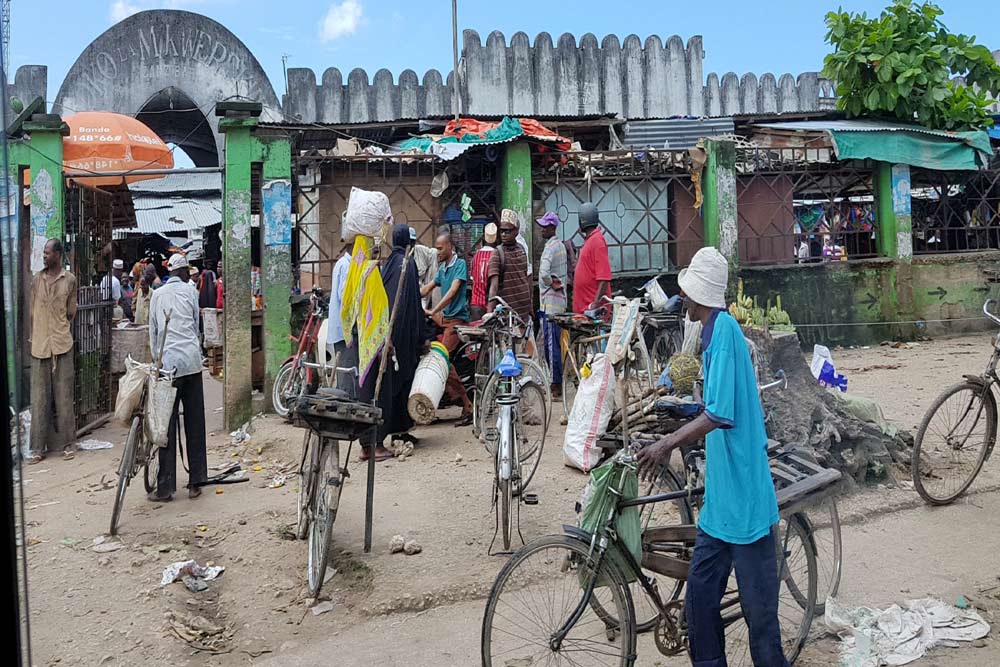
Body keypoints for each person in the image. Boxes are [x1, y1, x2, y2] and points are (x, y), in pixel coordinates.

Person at [637, 246, 786, 667]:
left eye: (685, 292)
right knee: (699, 607)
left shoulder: (723, 337)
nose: (681, 298)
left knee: (762, 627)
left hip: (747, 506)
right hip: (721, 508)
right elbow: (715, 402)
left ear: (698, 296)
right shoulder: (712, 333)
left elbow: (719, 413)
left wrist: (666, 444)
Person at [359, 224, 427, 462]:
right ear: (409, 244)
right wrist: (422, 337)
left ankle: (399, 431)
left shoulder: (388, 265)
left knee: (392, 385)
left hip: (382, 335)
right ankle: (386, 436)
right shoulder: (408, 264)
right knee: (401, 383)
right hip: (401, 337)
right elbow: (413, 304)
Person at [147, 253, 208, 502]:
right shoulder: (190, 291)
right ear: (183, 273)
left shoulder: (157, 295)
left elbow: (153, 331)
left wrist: (156, 360)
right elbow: (195, 325)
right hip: (191, 363)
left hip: (167, 365)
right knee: (195, 423)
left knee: (166, 427)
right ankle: (195, 483)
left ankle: (165, 487)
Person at [28, 238, 78, 462]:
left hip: (61, 344)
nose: (44, 256)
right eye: (44, 253)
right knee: (39, 398)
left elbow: (71, 312)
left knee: (64, 395)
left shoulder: (70, 280)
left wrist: (58, 328)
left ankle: (68, 444)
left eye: (48, 253)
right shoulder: (36, 280)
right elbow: (32, 312)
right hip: (39, 345)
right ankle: (38, 448)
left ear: (58, 254)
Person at [421, 232, 474, 425]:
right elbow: (426, 288)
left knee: (441, 359)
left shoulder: (459, 265)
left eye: (440, 248)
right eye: (436, 248)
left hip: (457, 320)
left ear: (450, 246)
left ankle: (467, 404)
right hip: (443, 320)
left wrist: (434, 309)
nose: (437, 252)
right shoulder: (442, 269)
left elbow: (452, 292)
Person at [488, 209, 535, 348]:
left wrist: (530, 304)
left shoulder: (521, 250)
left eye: (507, 231)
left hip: (523, 315)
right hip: (507, 317)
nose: (503, 234)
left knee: (525, 356)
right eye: (502, 231)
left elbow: (527, 278)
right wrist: (489, 313)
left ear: (516, 231)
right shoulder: (497, 254)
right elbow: (494, 286)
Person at [536, 212, 568, 400]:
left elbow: (543, 273)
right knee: (555, 344)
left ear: (552, 228)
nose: (542, 229)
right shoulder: (561, 246)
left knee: (551, 346)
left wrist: (550, 283)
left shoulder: (550, 249)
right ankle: (557, 382)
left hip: (550, 305)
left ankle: (556, 385)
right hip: (560, 304)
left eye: (545, 226)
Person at [572, 202, 612, 315]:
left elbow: (604, 277)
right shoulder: (591, 240)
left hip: (592, 311)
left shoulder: (597, 241)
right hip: (585, 311)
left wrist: (594, 305)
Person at [326, 245, 352, 364]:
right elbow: (346, 298)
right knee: (347, 368)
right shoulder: (346, 266)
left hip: (342, 329)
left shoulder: (343, 263)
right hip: (344, 330)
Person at [469, 223, 498, 321]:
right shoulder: (497, 255)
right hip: (491, 304)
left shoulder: (476, 256)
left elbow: (473, 279)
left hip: (476, 303)